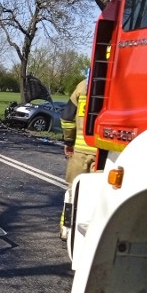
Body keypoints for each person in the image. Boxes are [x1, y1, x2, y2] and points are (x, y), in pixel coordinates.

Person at [60, 78, 97, 240]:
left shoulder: (82, 86)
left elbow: (67, 118)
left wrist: (69, 142)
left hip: (80, 150)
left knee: (73, 192)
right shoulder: (121, 85)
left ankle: (65, 229)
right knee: (98, 195)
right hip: (104, 154)